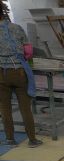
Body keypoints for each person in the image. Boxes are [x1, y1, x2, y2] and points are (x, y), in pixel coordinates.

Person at [0, 2, 42, 147]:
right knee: (25, 108)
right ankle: (32, 140)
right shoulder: (16, 28)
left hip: (1, 73)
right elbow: (28, 52)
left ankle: (10, 140)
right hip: (19, 72)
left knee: (5, 108)